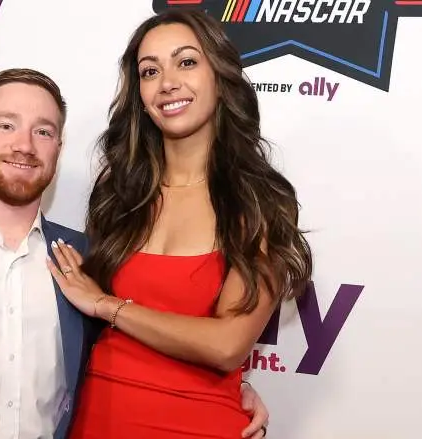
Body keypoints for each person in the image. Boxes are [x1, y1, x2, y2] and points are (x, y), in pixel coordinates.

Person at [0, 67, 269, 439]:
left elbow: (132, 344)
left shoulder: (87, 258)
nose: (24, 145)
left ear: (57, 149)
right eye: (6, 125)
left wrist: (235, 388)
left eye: (43, 131)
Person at [45, 9, 313, 439]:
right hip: (98, 420)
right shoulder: (120, 193)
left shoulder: (257, 204)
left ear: (219, 77)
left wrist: (108, 306)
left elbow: (227, 345)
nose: (167, 82)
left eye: (186, 62)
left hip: (200, 425)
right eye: (150, 71)